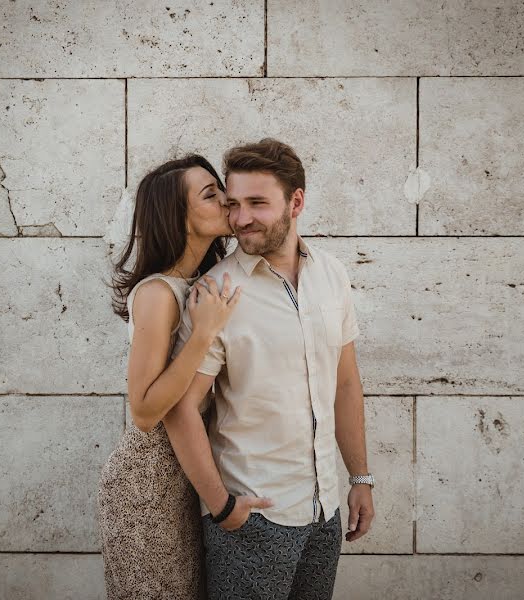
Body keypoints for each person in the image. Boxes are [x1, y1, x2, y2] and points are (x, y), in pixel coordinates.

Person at [165, 138, 376, 599]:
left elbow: (345, 383)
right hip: (253, 517)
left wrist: (359, 477)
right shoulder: (215, 293)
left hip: (323, 511)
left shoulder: (332, 274)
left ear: (296, 202)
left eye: (257, 203)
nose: (240, 219)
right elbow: (180, 409)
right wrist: (223, 509)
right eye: (234, 204)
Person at [97, 155, 244, 599]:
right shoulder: (159, 294)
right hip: (145, 484)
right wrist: (204, 334)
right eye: (210, 194)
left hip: (184, 479)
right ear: (177, 216)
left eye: (221, 188)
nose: (226, 199)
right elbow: (142, 410)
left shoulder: (199, 283)